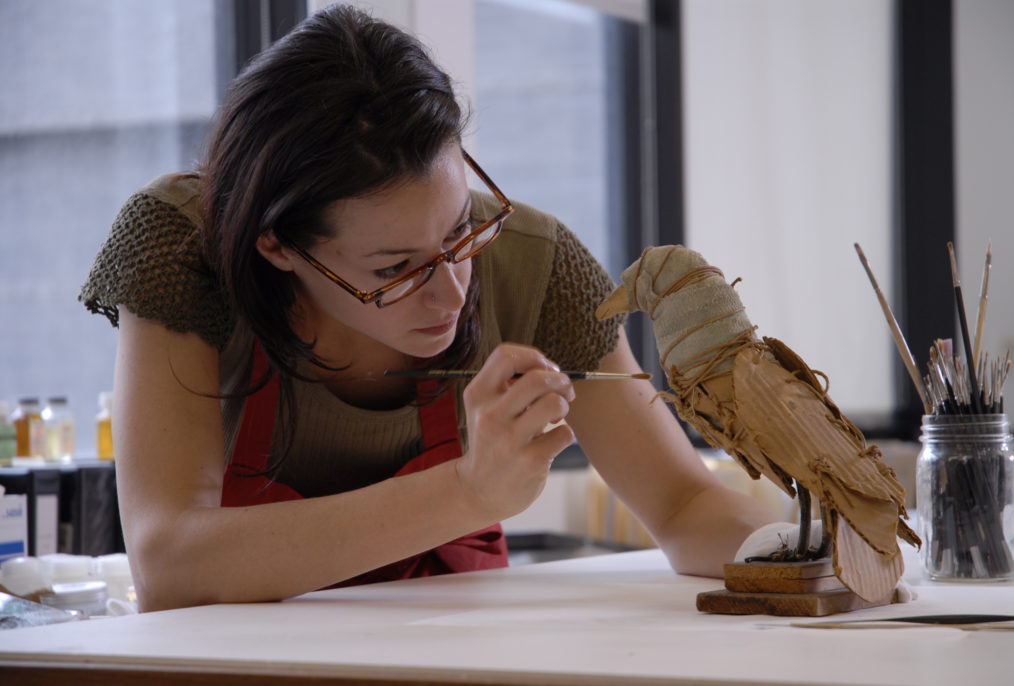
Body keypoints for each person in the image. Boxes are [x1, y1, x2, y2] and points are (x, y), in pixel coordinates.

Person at [79, 3, 777, 612]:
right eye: (395, 269)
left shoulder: (536, 261)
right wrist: (470, 493)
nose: (453, 292)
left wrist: (819, 550)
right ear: (277, 246)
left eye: (458, 233)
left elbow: (684, 505)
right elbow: (171, 563)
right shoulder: (178, 243)